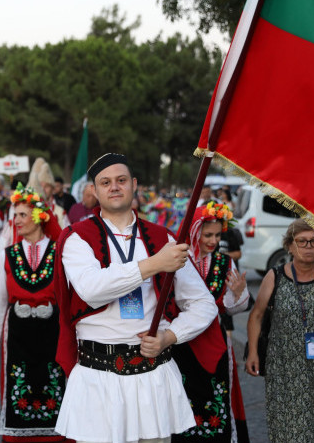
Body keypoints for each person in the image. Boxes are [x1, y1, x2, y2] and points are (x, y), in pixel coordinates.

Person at [54, 153, 218, 443]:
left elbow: (203, 303)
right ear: (94, 190)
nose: (114, 187)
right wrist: (155, 264)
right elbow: (92, 289)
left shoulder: (163, 238)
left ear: (134, 184)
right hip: (98, 377)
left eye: (121, 180)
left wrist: (171, 337)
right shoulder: (76, 238)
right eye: (105, 182)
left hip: (152, 375)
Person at [245, 219, 314, 442]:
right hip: (285, 368)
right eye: (302, 241)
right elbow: (256, 316)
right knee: (291, 429)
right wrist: (252, 353)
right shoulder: (275, 276)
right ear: (289, 246)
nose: (308, 247)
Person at [0, 184, 65, 441]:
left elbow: (69, 293)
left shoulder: (60, 250)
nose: (16, 221)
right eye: (14, 216)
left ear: (39, 217)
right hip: (18, 333)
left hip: (52, 333)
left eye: (22, 215)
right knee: (19, 383)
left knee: (53, 383)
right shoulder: (10, 254)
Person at [169, 201, 250, 442]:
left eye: (217, 235)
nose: (213, 240)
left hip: (213, 341)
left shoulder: (225, 262)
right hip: (180, 343)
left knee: (214, 396)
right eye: (207, 235)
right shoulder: (177, 258)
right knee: (183, 395)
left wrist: (238, 294)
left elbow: (235, 307)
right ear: (194, 231)